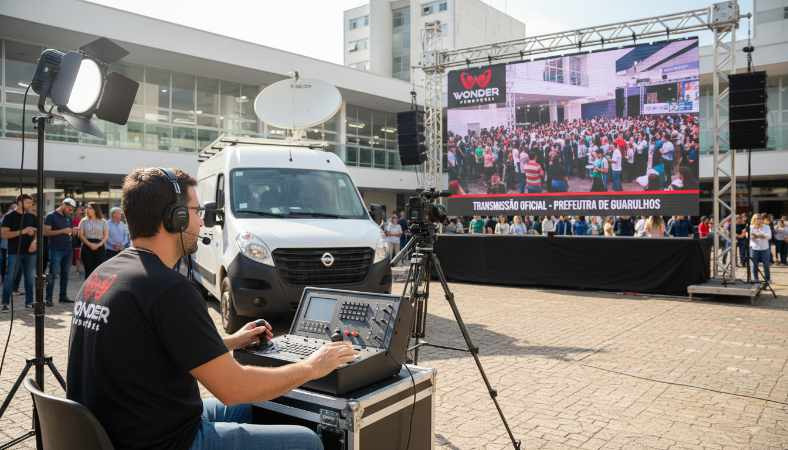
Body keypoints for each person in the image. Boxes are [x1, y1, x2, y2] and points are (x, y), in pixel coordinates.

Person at [66, 168, 343, 450]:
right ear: (175, 218)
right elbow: (234, 388)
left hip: (124, 430)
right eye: (196, 211)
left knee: (257, 406)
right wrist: (312, 367)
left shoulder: (102, 275)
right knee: (307, 441)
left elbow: (151, 346)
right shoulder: (168, 289)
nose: (201, 222)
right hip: (166, 442)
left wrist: (231, 341)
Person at [1, 194, 37, 311]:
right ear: (20, 203)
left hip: (30, 252)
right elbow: (4, 234)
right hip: (14, 252)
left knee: (29, 278)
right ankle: (5, 303)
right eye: (28, 203)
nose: (31, 205)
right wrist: (23, 231)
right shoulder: (9, 217)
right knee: (10, 277)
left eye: (31, 203)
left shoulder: (32, 216)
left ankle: (29, 302)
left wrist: (35, 241)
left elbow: (39, 231)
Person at [43, 197, 77, 306]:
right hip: (55, 249)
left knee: (65, 274)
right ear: (63, 205)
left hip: (68, 249)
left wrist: (73, 231)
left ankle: (63, 296)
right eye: (69, 209)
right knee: (52, 274)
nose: (70, 211)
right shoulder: (51, 216)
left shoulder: (68, 217)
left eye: (72, 210)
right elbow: (45, 232)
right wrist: (63, 231)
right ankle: (48, 299)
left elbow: (68, 231)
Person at [78, 202, 109, 279]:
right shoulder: (83, 221)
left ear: (95, 209)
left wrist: (98, 245)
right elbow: (81, 235)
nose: (88, 209)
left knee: (98, 271)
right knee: (88, 271)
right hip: (86, 246)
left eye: (90, 208)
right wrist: (90, 244)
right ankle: (87, 286)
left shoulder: (103, 221)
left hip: (100, 246)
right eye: (87, 208)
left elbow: (106, 236)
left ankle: (97, 287)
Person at [749, 214, 772, 283]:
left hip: (765, 249)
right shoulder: (751, 227)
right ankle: (755, 279)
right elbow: (750, 236)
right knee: (754, 265)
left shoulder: (766, 227)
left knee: (766, 265)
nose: (759, 220)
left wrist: (758, 235)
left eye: (760, 218)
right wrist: (762, 236)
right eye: (757, 218)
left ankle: (767, 279)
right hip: (754, 248)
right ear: (754, 220)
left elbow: (769, 236)